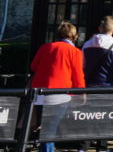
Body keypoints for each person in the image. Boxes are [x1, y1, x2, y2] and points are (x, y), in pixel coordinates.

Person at [30, 20, 85, 152]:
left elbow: (33, 67)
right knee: (51, 127)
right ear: (74, 36)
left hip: (40, 93)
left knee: (46, 127)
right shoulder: (75, 52)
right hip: (60, 94)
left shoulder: (46, 47)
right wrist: (82, 93)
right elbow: (78, 75)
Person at [80, 16, 113, 152]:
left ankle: (83, 148)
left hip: (90, 87)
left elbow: (82, 66)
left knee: (88, 118)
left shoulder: (87, 45)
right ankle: (102, 147)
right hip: (108, 88)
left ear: (99, 28)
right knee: (105, 118)